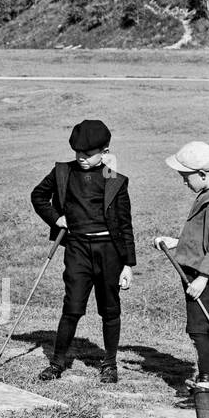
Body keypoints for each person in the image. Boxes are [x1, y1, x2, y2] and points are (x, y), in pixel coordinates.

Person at [30, 118, 136, 383]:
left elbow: (125, 224)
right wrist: (56, 218)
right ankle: (56, 363)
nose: (81, 158)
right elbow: (38, 196)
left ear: (105, 152)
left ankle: (109, 364)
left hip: (109, 251)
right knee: (72, 307)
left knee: (110, 309)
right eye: (77, 152)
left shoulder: (114, 180)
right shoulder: (62, 172)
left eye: (88, 154)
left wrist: (128, 264)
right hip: (77, 248)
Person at [154, 141, 209, 391]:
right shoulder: (208, 195)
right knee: (203, 328)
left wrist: (202, 277)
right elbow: (202, 239)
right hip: (201, 274)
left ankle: (207, 384)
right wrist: (176, 242)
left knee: (199, 330)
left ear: (202, 174)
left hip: (205, 278)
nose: (184, 181)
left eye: (185, 176)